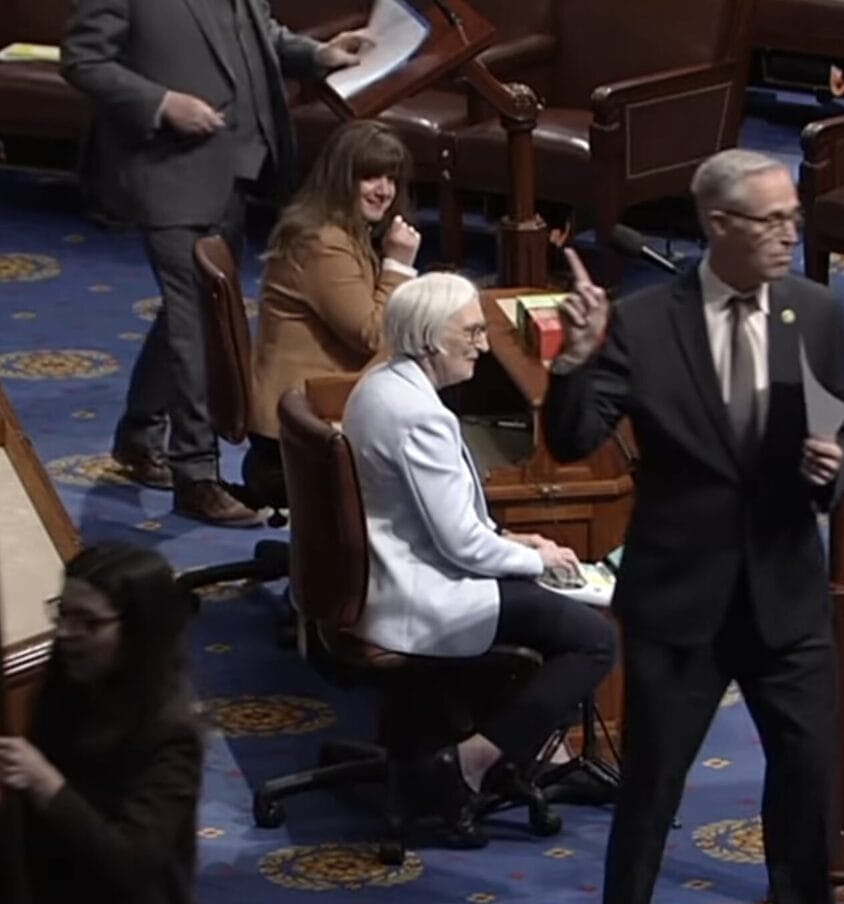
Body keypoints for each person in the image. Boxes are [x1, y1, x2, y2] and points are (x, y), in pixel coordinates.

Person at [544, 148, 844, 904]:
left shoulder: (815, 311)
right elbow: (570, 438)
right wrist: (575, 361)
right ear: (718, 225)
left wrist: (838, 465)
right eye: (773, 220)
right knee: (653, 786)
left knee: (806, 776)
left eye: (794, 216)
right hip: (681, 597)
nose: (792, 232)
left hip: (785, 589)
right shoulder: (641, 320)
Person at [62, 0, 371, 526]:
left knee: (189, 311)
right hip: (169, 173)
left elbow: (257, 34)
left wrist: (318, 53)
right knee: (198, 322)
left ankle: (139, 434)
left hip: (236, 172)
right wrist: (161, 102)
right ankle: (196, 474)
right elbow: (83, 59)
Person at [342, 272, 617, 821]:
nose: (484, 345)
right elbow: (461, 545)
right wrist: (538, 557)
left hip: (390, 571)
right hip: (421, 595)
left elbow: (448, 523)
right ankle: (474, 760)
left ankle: (539, 747)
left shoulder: (377, 385)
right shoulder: (420, 416)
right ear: (428, 340)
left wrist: (512, 538)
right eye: (469, 333)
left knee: (550, 600)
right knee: (595, 638)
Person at [0, 543, 207, 904]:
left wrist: (47, 785)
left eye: (87, 622)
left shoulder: (172, 733)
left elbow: (131, 858)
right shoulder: (67, 688)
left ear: (135, 629)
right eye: (62, 613)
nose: (67, 633)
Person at [247, 119, 421, 503]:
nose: (385, 191)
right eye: (371, 177)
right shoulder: (322, 242)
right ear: (342, 178)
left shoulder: (342, 229)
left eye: (391, 179)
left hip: (318, 402)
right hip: (299, 426)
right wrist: (398, 266)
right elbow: (371, 334)